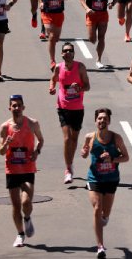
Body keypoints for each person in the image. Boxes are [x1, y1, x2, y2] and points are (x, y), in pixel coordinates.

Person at [80, 108, 130, 259]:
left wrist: (112, 159)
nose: (102, 121)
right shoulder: (89, 137)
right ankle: (100, 246)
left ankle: (105, 218)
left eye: (104, 118)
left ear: (109, 121)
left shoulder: (116, 138)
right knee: (97, 208)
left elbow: (126, 157)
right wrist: (83, 153)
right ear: (96, 121)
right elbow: (84, 152)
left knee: (105, 213)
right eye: (99, 118)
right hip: (94, 178)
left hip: (111, 179)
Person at [0, 94, 44, 248]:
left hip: (27, 168)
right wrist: (6, 143)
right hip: (11, 169)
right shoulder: (5, 127)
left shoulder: (32, 123)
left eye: (19, 105)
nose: (16, 108)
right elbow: (1, 151)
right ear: (9, 108)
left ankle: (28, 218)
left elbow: (41, 140)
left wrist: (37, 152)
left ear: (23, 107)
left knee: (26, 201)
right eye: (14, 105)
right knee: (16, 205)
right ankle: (20, 234)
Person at [49, 42, 90, 184]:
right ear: (61, 54)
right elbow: (53, 80)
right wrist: (52, 88)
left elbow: (88, 86)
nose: (67, 53)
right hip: (63, 107)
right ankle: (68, 169)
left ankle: (70, 163)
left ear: (73, 53)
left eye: (70, 51)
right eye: (65, 51)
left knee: (74, 139)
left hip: (77, 108)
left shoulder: (80, 68)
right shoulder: (58, 68)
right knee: (67, 138)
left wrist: (79, 88)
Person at [80, 0, 117, 69]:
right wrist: (87, 9)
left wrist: (112, 4)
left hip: (103, 14)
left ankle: (99, 59)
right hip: (92, 14)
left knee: (101, 37)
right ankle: (93, 40)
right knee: (92, 39)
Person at [36, 0, 71, 70]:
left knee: (56, 38)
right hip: (46, 13)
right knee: (51, 36)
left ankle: (54, 50)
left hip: (59, 13)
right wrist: (41, 2)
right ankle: (52, 61)